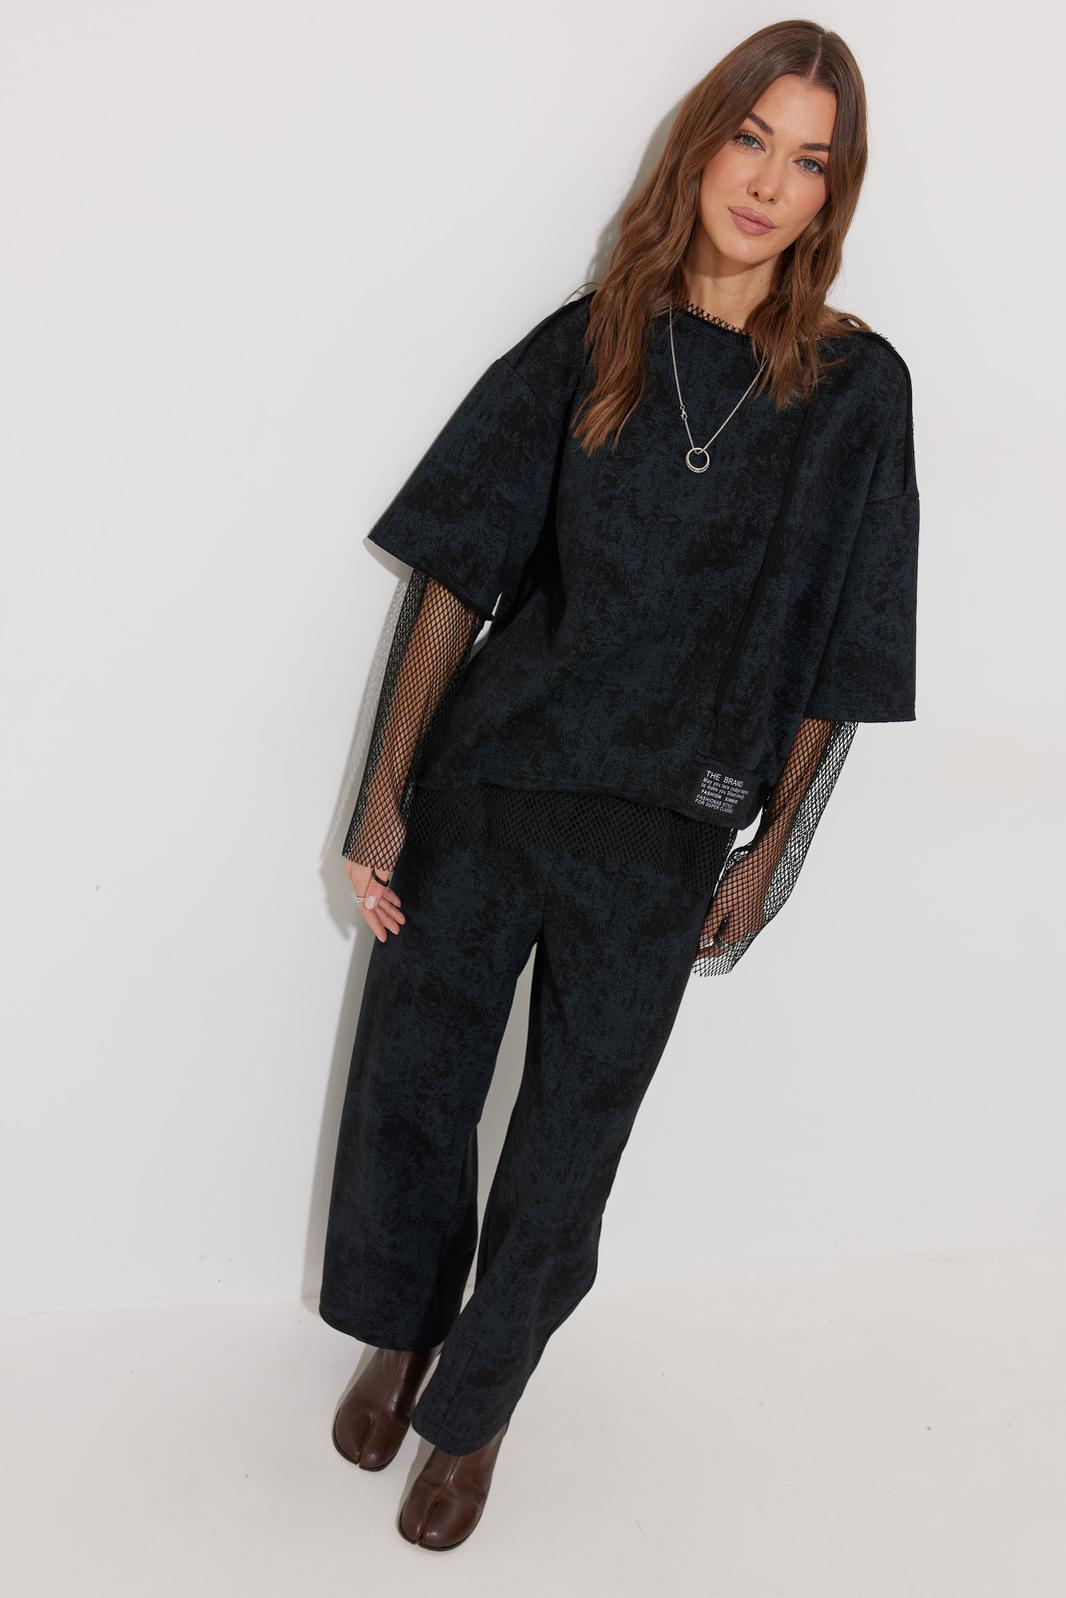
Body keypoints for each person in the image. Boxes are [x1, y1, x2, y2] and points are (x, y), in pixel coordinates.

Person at [320, 18, 920, 1550]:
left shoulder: (855, 390)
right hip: (491, 783)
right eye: (750, 140)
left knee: (569, 1137)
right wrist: (384, 799)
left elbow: (845, 654)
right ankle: (407, 1327)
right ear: (700, 146)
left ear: (833, 192)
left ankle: (477, 1403)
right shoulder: (592, 335)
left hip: (663, 821)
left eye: (808, 161)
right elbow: (454, 572)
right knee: (414, 1080)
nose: (767, 183)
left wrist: (767, 856)